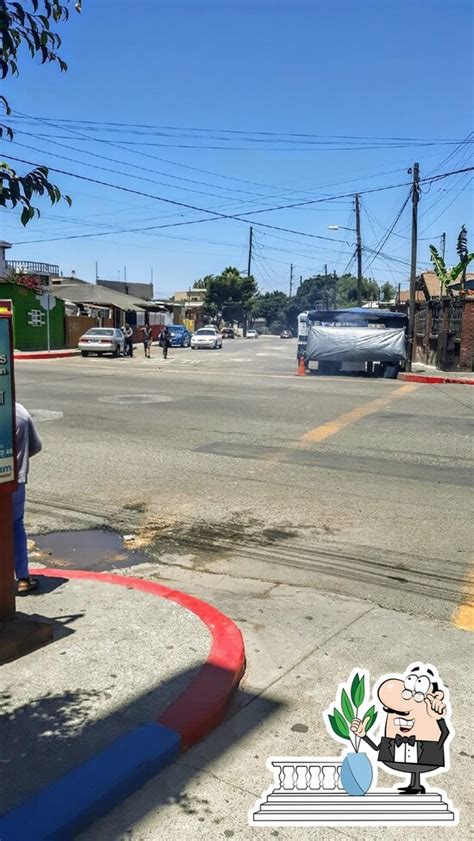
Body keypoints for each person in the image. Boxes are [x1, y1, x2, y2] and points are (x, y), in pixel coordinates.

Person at [13, 403, 42, 594]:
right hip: (16, 479)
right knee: (15, 525)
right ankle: (22, 577)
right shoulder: (20, 412)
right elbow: (35, 446)